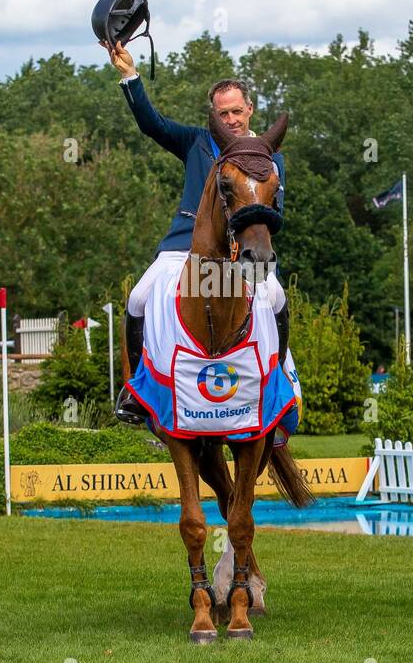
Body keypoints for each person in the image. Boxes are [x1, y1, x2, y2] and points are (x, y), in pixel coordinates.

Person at [103, 39, 288, 424]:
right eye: (224, 114)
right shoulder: (196, 142)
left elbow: (275, 211)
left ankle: (279, 380)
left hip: (243, 253)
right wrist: (129, 76)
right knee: (138, 298)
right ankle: (138, 390)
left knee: (276, 297)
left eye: (237, 111)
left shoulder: (269, 154)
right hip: (183, 248)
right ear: (214, 117)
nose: (232, 120)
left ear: (250, 109)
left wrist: (248, 250)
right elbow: (152, 124)